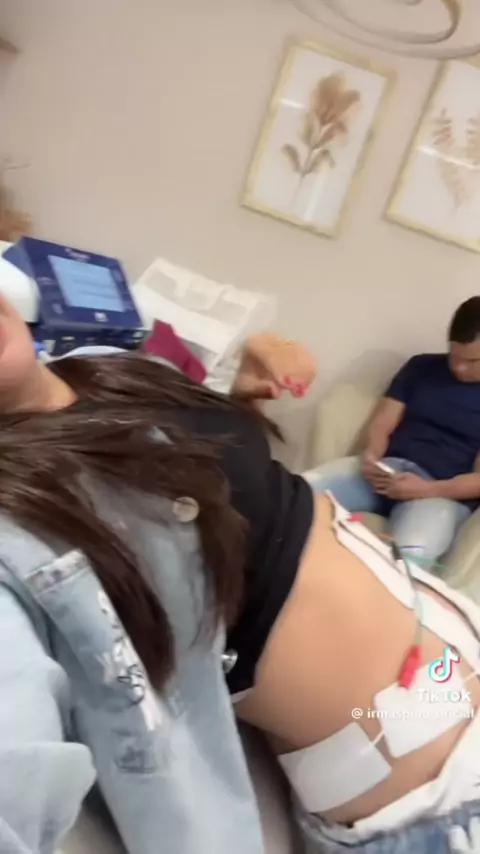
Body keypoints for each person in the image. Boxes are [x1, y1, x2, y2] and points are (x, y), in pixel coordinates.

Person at [0, 291, 479, 854]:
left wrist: (238, 403)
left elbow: (214, 508)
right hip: (436, 802)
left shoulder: (106, 368)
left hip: (457, 649)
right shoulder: (15, 517)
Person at [309, 297, 480, 569]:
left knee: (409, 557)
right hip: (387, 471)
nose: (459, 367)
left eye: (472, 361)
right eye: (454, 356)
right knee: (300, 490)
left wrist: (426, 489)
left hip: (440, 493)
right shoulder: (421, 366)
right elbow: (382, 422)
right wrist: (372, 455)